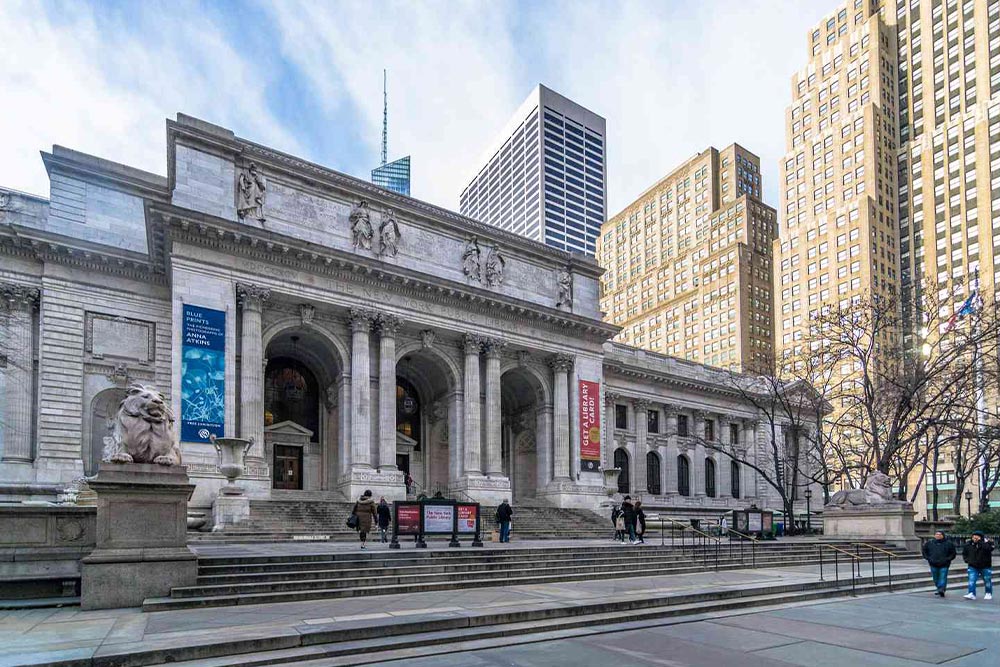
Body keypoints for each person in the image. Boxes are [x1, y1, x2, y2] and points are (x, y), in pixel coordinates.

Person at [922, 530, 957, 597]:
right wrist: (928, 558)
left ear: (943, 535)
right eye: (936, 534)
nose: (938, 536)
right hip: (933, 563)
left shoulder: (948, 543)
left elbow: (953, 553)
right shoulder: (930, 543)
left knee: (943, 576)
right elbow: (924, 551)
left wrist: (947, 559)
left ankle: (941, 589)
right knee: (935, 577)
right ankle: (939, 588)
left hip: (944, 564)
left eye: (939, 534)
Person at [962, 530, 994, 600]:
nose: (975, 537)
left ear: (981, 537)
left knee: (987, 580)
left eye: (977, 536)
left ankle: (988, 593)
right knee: (971, 580)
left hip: (985, 566)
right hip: (973, 566)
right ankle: (971, 593)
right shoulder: (969, 544)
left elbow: (989, 549)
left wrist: (980, 542)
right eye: (974, 536)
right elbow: (964, 553)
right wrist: (967, 560)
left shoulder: (987, 543)